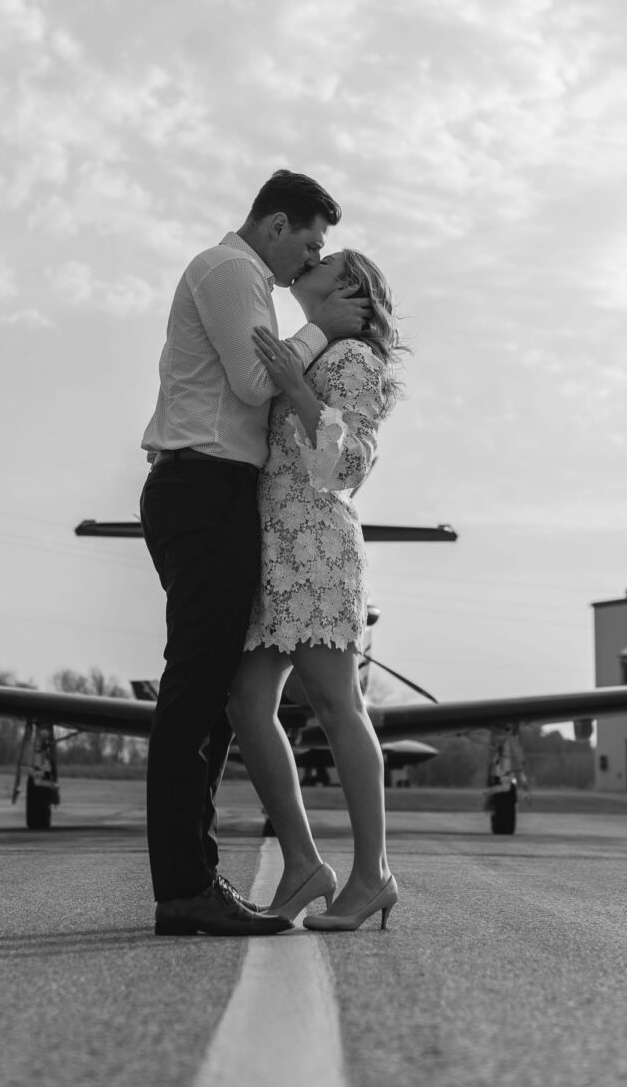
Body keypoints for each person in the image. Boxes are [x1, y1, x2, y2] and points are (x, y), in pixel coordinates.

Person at [139, 170, 370, 937]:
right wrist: (323, 328)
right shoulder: (234, 270)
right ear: (275, 225)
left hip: (219, 495)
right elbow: (248, 381)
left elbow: (325, 436)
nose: (309, 259)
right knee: (200, 695)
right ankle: (186, 884)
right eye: (307, 241)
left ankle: (192, 881)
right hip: (204, 489)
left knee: (212, 696)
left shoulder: (251, 284)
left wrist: (321, 338)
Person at [227, 248, 407, 932]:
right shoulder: (317, 348)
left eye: (325, 260)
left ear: (350, 287)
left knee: (338, 706)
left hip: (320, 548)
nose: (309, 261)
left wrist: (297, 390)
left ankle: (374, 875)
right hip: (274, 550)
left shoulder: (358, 360)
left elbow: (348, 466)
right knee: (245, 703)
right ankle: (303, 864)